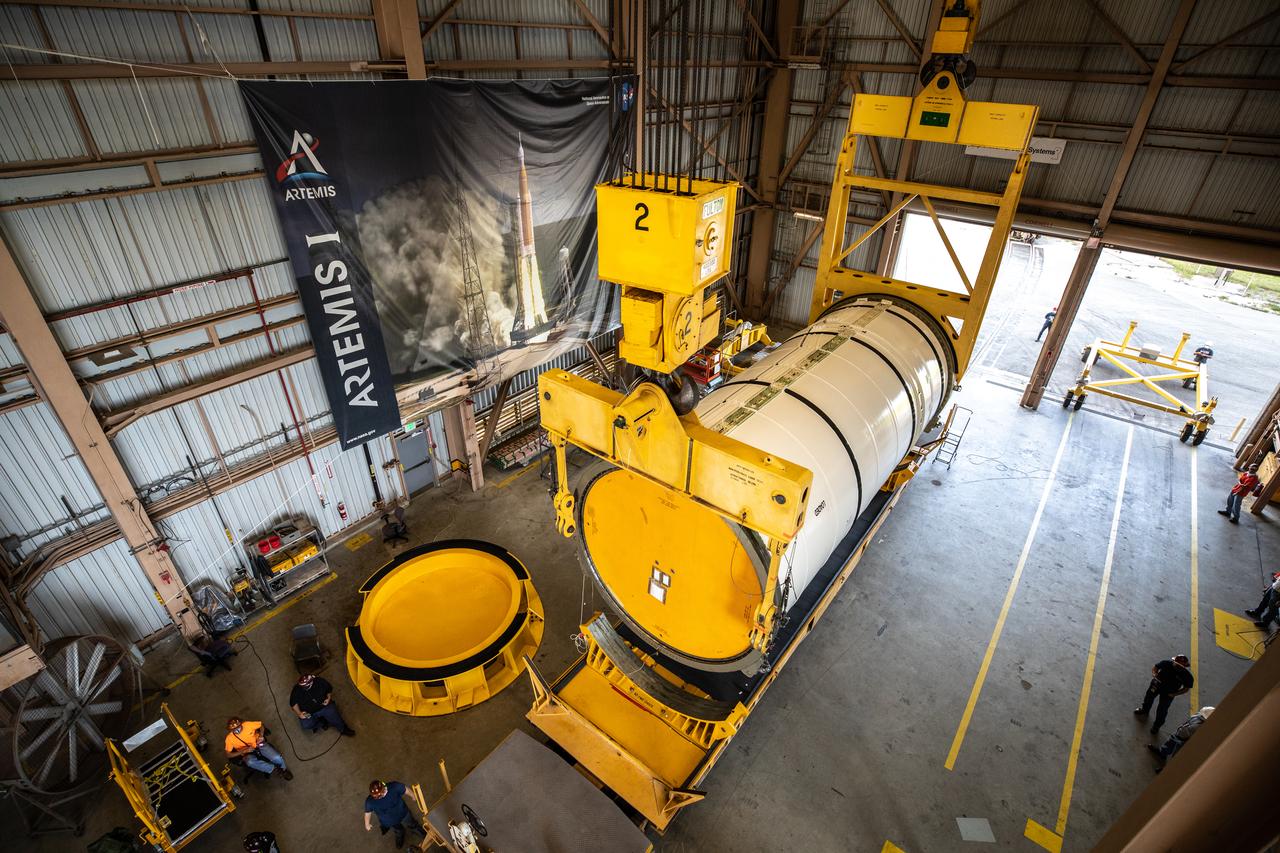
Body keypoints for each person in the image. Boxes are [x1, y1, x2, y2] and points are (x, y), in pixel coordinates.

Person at [1134, 655, 1194, 734]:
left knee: (1162, 709)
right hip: (1156, 685)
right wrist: (1154, 675)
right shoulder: (1166, 663)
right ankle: (1145, 709)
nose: (1179, 667)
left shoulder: (1187, 676)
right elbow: (1155, 667)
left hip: (1169, 693)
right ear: (1174, 661)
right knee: (1148, 698)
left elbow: (1186, 688)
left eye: (1182, 666)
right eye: (1177, 664)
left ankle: (1156, 726)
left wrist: (1175, 694)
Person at [1146, 706, 1214, 771]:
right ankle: (1162, 752)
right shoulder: (1199, 716)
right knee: (1170, 743)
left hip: (1183, 740)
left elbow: (1189, 733)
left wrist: (1181, 735)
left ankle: (1166, 769)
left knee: (1176, 756)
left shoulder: (1201, 726)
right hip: (1180, 733)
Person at [225, 717, 292, 780]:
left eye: (238, 727)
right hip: (247, 753)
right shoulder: (229, 739)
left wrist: (261, 735)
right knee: (250, 762)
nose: (237, 729)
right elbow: (228, 754)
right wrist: (243, 751)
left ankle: (283, 769)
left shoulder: (247, 724)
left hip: (259, 744)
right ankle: (274, 769)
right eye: (234, 729)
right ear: (230, 730)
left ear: (241, 723)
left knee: (276, 757)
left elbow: (261, 725)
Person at [364, 780, 426, 849]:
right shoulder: (370, 801)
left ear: (384, 787)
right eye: (377, 796)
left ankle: (418, 830)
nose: (380, 796)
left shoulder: (394, 787)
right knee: (397, 829)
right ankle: (400, 834)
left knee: (412, 823)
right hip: (390, 821)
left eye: (382, 793)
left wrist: (413, 796)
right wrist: (367, 824)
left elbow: (406, 790)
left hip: (403, 813)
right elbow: (367, 813)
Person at [289, 674, 356, 736]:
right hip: (309, 712)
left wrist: (328, 698)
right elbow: (293, 703)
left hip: (323, 707)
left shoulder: (319, 681)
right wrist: (299, 713)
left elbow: (328, 689)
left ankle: (343, 729)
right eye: (302, 686)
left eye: (305, 686)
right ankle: (321, 723)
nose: (303, 688)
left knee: (333, 713)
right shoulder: (297, 689)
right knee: (306, 725)